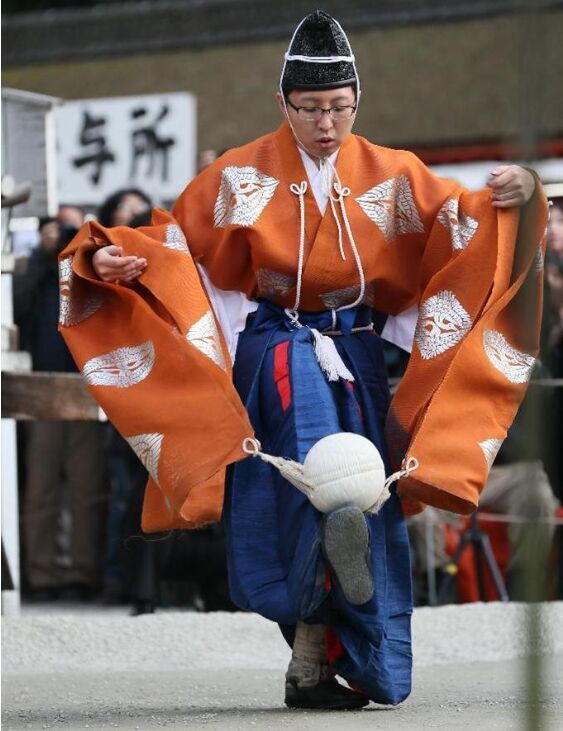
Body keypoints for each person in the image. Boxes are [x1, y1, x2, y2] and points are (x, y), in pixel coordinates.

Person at [59, 11, 547, 709]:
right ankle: (315, 648)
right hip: (277, 347)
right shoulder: (237, 174)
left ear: (358, 103)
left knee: (343, 497)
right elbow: (172, 244)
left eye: (340, 108)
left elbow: (464, 222)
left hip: (354, 351)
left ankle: (315, 664)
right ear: (282, 104)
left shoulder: (393, 172)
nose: (327, 124)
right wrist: (104, 258)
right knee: (325, 479)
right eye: (312, 109)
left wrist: (522, 194)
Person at [14, 217, 108, 601]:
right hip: (40, 392)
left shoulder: (94, 276)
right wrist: (40, 256)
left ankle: (82, 573)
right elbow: (17, 307)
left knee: (87, 489)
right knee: (41, 489)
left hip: (87, 389)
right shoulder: (35, 277)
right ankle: (41, 574)